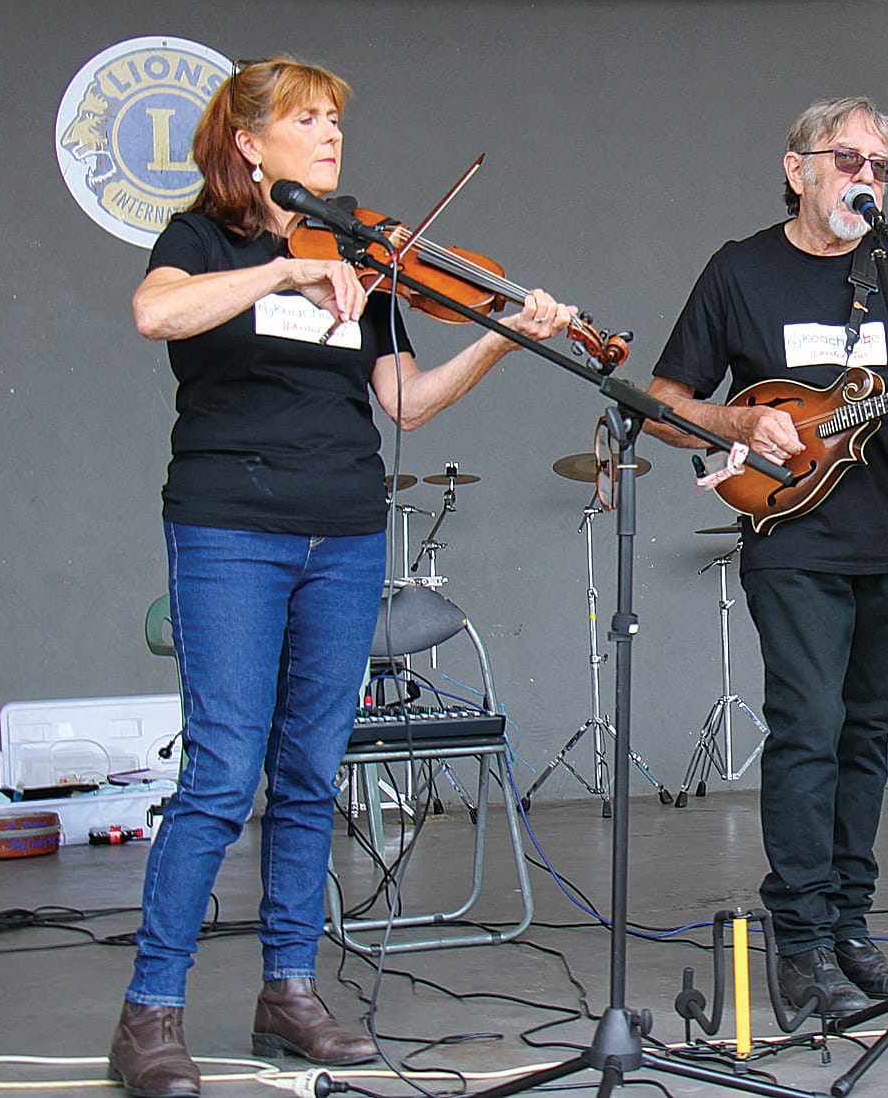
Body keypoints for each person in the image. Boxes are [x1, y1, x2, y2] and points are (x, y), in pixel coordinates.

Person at [108, 56, 572, 1098]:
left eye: (334, 123)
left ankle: (287, 989)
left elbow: (404, 401)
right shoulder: (204, 241)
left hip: (344, 530)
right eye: (307, 121)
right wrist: (280, 270)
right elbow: (156, 315)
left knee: (313, 771)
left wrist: (502, 339)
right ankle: (150, 1011)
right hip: (231, 528)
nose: (330, 138)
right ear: (247, 141)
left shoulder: (356, 255)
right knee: (223, 773)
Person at [645, 98, 888, 1018]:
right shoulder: (739, 269)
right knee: (808, 727)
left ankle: (845, 921)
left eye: (880, 165)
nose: (864, 176)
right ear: (796, 168)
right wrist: (735, 420)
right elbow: (660, 401)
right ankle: (795, 939)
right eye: (846, 159)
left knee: (867, 734)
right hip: (791, 534)